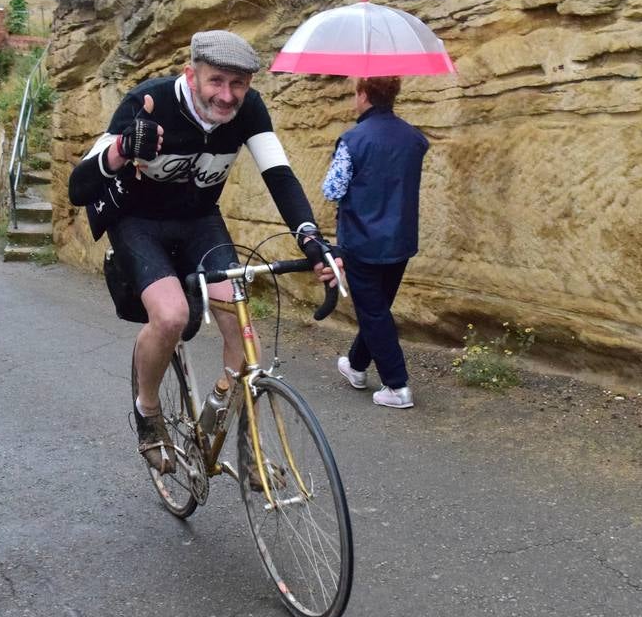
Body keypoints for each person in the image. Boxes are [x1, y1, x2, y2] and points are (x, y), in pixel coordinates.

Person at [69, 30, 340, 475]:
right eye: (216, 81)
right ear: (190, 74)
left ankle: (231, 421)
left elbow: (281, 176)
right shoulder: (148, 102)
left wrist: (311, 239)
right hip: (138, 223)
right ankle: (148, 409)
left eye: (239, 84)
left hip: (199, 220)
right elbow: (78, 187)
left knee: (238, 316)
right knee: (172, 316)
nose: (227, 95)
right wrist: (120, 149)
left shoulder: (248, 110)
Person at [322, 75, 428, 409]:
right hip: (400, 240)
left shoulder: (354, 140)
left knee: (374, 312)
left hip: (362, 242)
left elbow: (332, 190)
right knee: (377, 308)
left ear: (364, 94)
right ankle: (355, 366)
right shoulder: (415, 139)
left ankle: (397, 386)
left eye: (356, 93)